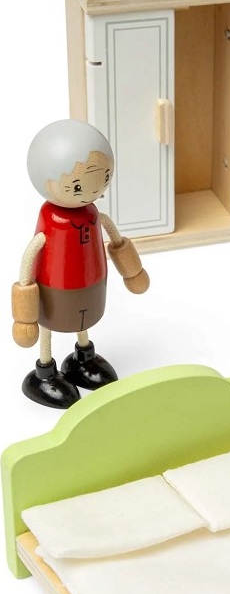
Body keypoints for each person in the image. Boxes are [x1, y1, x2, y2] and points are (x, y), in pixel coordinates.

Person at [11, 119, 150, 408]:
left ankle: (82, 359)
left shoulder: (93, 214)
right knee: (49, 323)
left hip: (92, 284)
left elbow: (116, 240)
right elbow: (30, 258)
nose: (91, 189)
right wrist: (25, 314)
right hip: (52, 288)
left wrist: (132, 272)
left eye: (104, 176)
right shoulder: (51, 220)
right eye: (77, 185)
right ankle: (45, 371)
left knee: (83, 321)